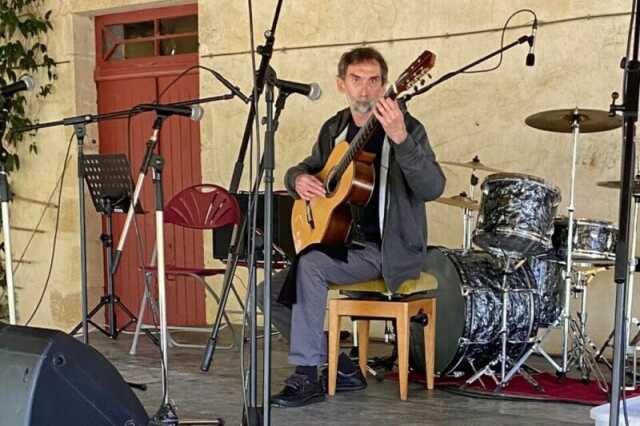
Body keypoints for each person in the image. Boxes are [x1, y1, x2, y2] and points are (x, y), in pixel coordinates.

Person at [260, 46, 446, 407]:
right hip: (336, 242)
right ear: (341, 84)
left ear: (387, 85)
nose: (365, 89)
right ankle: (340, 364)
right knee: (266, 292)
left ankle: (307, 376)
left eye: (374, 80)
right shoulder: (334, 127)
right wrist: (298, 180)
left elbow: (433, 187)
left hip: (384, 250)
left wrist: (401, 139)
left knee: (309, 266)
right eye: (356, 80)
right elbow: (306, 167)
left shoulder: (408, 128)